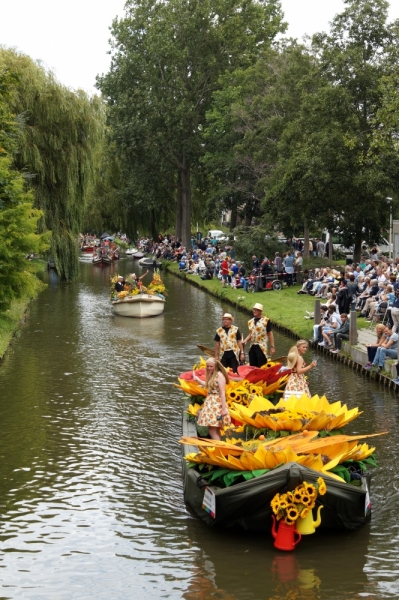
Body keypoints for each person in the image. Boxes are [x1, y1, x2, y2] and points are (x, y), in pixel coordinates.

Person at [194, 358, 231, 440]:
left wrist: (224, 409)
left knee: (212, 430)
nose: (209, 368)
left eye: (211, 366)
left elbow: (222, 392)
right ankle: (219, 448)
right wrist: (198, 380)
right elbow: (209, 385)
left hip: (216, 403)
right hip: (210, 402)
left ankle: (217, 448)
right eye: (207, 366)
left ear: (215, 366)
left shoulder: (220, 375)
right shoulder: (212, 374)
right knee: (215, 428)